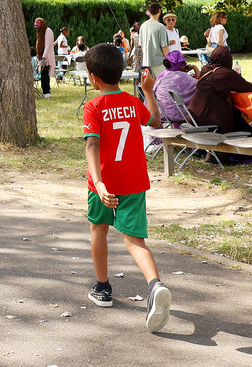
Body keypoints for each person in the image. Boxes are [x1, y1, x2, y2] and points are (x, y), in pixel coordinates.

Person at [81, 43, 171, 332]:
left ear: (94, 77)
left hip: (103, 184)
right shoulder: (133, 103)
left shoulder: (93, 106)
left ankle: (103, 288)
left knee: (99, 230)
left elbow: (92, 143)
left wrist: (99, 182)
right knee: (135, 242)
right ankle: (155, 285)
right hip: (133, 182)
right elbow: (155, 121)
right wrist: (147, 90)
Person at [188, 47, 252, 133]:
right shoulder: (227, 73)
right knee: (241, 114)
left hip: (194, 117)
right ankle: (246, 140)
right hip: (211, 119)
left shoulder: (205, 69)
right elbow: (248, 87)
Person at [149, 51, 198, 145]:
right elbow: (201, 85)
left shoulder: (163, 75)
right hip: (176, 114)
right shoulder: (183, 77)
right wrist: (195, 68)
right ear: (181, 64)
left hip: (160, 112)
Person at [139, 4, 169, 79]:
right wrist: (170, 61)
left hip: (146, 63)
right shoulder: (161, 27)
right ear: (159, 11)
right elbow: (164, 48)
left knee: (148, 89)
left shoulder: (143, 26)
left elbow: (142, 46)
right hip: (159, 64)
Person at [34, 18, 55, 98]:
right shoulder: (40, 32)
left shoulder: (48, 31)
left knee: (45, 74)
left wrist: (44, 57)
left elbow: (48, 45)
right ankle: (44, 92)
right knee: (43, 74)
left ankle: (46, 92)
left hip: (46, 57)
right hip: (41, 56)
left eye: (38, 26)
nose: (37, 28)